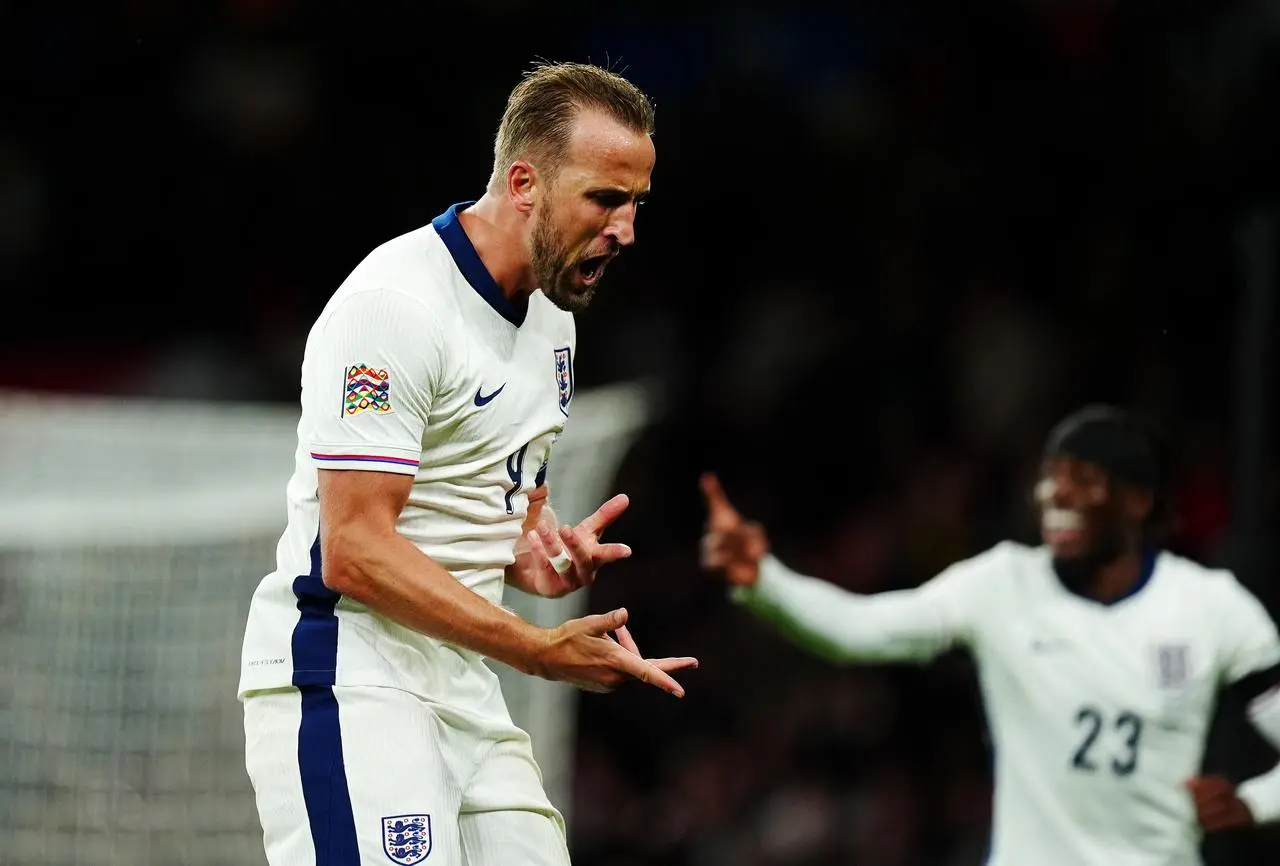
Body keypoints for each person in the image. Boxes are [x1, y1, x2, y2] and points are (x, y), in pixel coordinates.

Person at [238, 61, 696, 866]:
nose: (626, 228)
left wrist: (531, 555)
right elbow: (355, 548)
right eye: (604, 199)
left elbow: (486, 504)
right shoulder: (398, 305)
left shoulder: (554, 319)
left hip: (461, 681)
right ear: (524, 182)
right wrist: (535, 648)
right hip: (349, 674)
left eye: (637, 203)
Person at [699, 405, 1280, 866]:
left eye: (1082, 480)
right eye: (1051, 479)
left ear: (1137, 500)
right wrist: (765, 581)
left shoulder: (1211, 607)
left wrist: (1255, 803)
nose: (1055, 494)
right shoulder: (1002, 586)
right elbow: (861, 631)